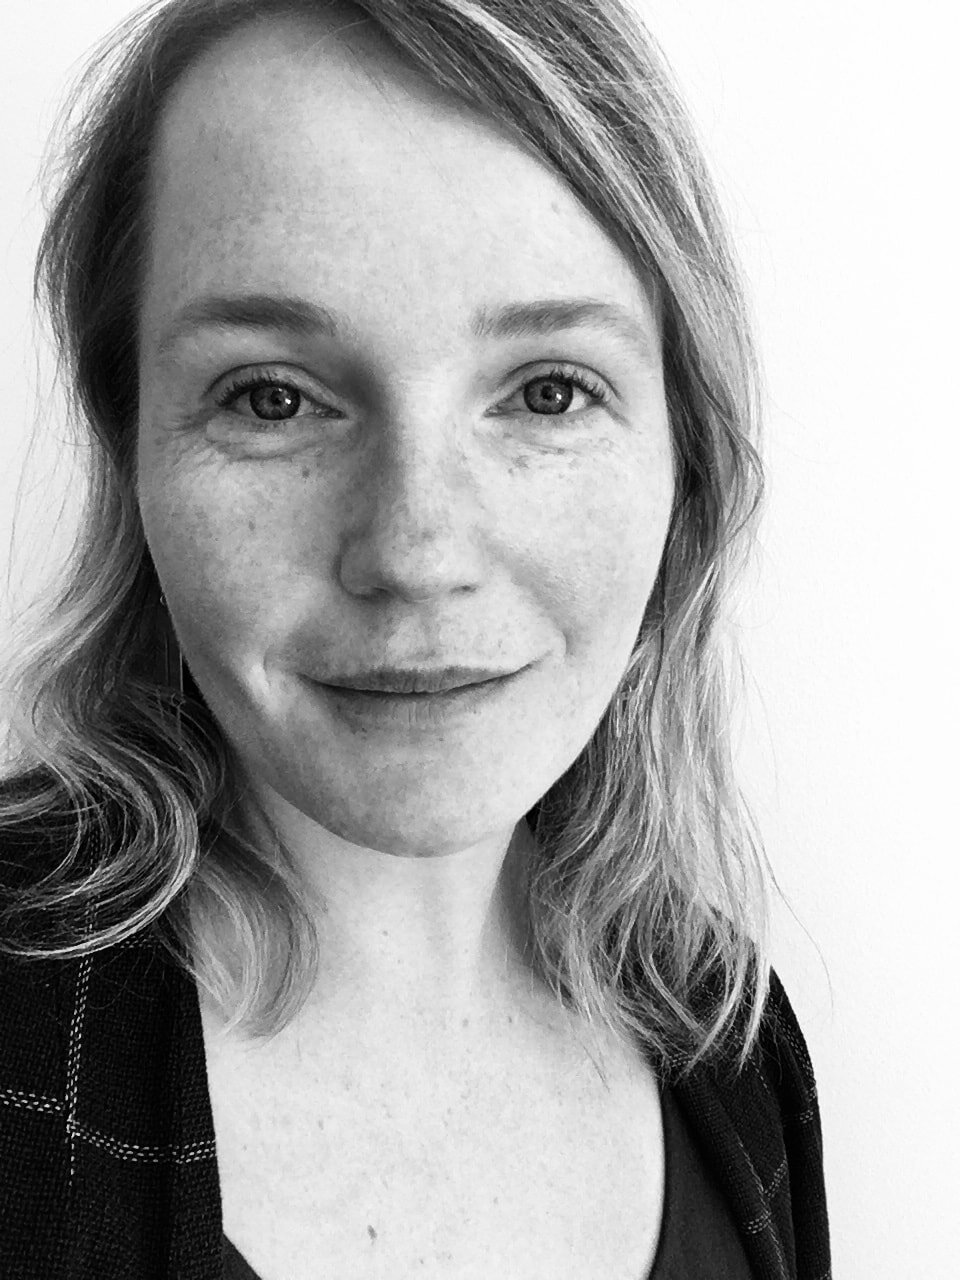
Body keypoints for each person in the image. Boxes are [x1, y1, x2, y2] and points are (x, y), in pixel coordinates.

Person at [0, 1, 830, 1277]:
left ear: (687, 455)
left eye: (548, 390)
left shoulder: (730, 1037)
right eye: (272, 397)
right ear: (133, 454)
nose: (416, 552)